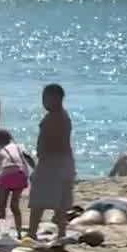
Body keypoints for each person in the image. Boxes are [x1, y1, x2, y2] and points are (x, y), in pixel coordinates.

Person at [28, 84, 74, 241]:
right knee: (61, 202)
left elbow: (49, 142)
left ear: (56, 98)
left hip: (52, 162)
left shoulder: (54, 118)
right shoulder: (63, 116)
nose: (43, 102)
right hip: (65, 161)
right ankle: (61, 232)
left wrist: (41, 157)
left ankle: (32, 232)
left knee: (38, 201)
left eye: (45, 98)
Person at [0, 129, 33, 237]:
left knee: (2, 205)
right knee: (15, 205)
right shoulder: (17, 147)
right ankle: (19, 232)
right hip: (20, 175)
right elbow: (29, 159)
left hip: (6, 176)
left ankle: (3, 231)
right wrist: (34, 170)